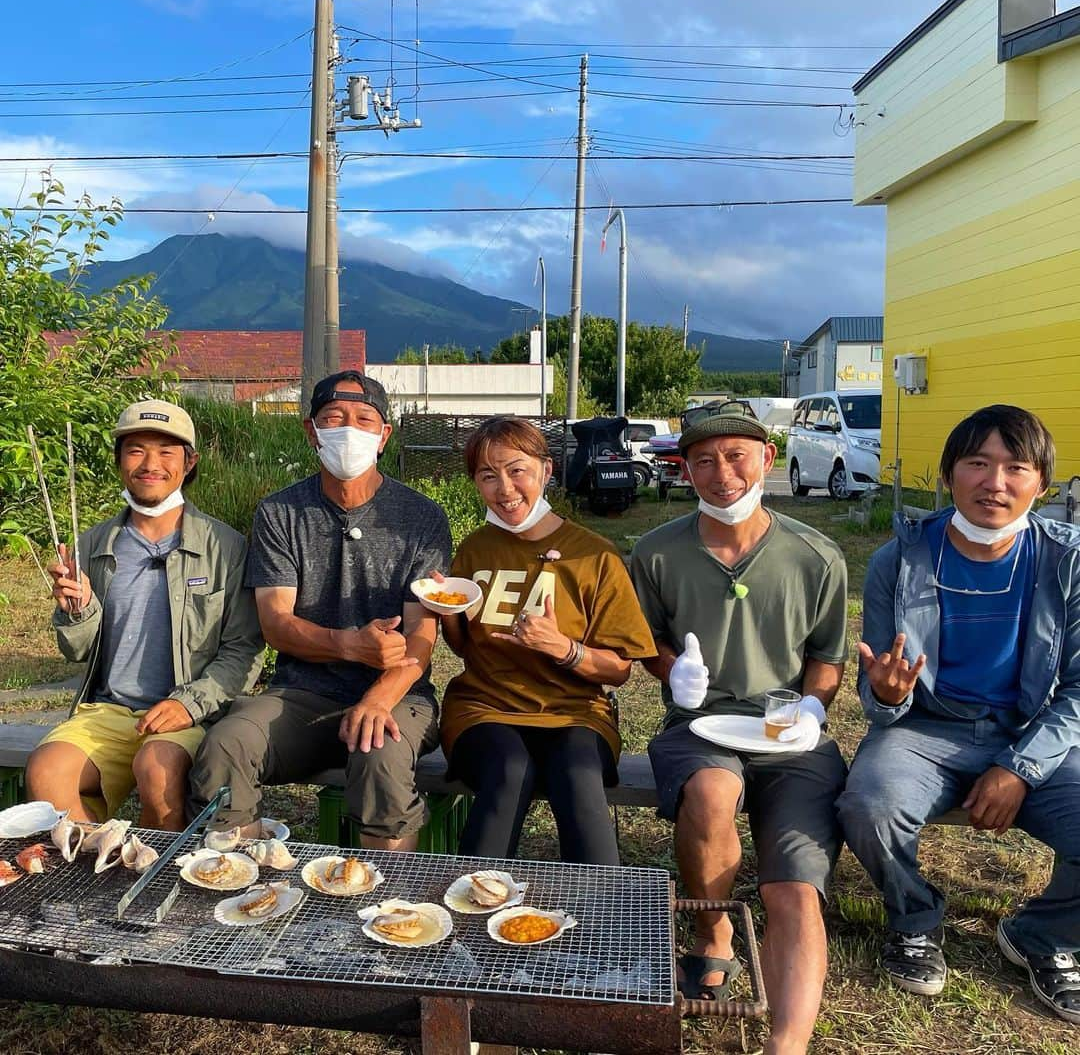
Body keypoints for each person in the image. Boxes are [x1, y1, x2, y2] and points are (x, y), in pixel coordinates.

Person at [837, 405, 1079, 1025]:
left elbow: (1077, 691)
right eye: (976, 463)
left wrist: (1020, 767)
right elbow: (881, 689)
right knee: (869, 803)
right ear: (948, 476)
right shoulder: (902, 558)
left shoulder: (1066, 562)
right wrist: (889, 696)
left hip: (1032, 731)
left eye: (1014, 467)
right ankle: (915, 920)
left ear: (1041, 486)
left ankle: (1044, 935)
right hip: (925, 730)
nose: (993, 482)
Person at [630, 404, 849, 1055]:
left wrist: (812, 709)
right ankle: (714, 933)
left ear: (766, 459)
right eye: (703, 460)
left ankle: (786, 1045)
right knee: (710, 795)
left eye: (736, 456)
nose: (721, 473)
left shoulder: (816, 556)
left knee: (792, 888)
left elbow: (828, 655)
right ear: (684, 468)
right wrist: (674, 673)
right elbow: (647, 641)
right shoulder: (657, 552)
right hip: (701, 725)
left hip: (787, 730)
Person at [189, 371, 451, 851]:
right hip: (301, 693)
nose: (349, 430)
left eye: (364, 419)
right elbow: (276, 623)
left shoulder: (422, 517)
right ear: (310, 430)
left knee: (382, 755)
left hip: (398, 693)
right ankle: (236, 895)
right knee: (228, 743)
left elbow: (421, 634)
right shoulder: (280, 513)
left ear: (384, 434)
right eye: (333, 418)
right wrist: (350, 645)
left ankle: (390, 910)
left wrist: (378, 697)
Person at [27, 400, 263, 830]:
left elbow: (243, 649)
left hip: (188, 712)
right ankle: (99, 873)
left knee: (157, 772)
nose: (150, 464)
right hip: (108, 711)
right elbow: (77, 652)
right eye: (136, 450)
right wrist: (76, 610)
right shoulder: (94, 544)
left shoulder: (226, 548)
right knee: (46, 772)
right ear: (119, 460)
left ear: (189, 463)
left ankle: (155, 881)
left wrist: (187, 703)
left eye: (166, 451)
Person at [438, 417, 655, 865]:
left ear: (546, 471)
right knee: (508, 770)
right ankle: (470, 914)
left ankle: (601, 917)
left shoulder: (594, 555)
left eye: (516, 470)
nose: (504, 488)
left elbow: (620, 669)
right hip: (484, 706)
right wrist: (450, 616)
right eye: (487, 475)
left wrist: (564, 649)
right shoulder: (476, 549)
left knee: (577, 774)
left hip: (574, 710)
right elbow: (466, 649)